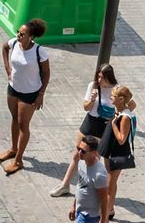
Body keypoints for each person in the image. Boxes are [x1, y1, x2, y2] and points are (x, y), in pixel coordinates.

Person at [48, 63, 118, 197]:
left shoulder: (117, 89)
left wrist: (119, 117)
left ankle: (104, 195)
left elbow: (130, 104)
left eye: (102, 77)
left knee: (99, 160)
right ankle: (64, 185)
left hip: (104, 127)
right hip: (90, 122)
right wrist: (92, 99)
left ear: (109, 77)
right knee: (77, 155)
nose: (99, 80)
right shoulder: (93, 86)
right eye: (98, 76)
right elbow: (85, 107)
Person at [0, 20, 50, 176]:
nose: (18, 35)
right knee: (14, 118)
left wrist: (41, 94)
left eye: (22, 33)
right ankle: (13, 149)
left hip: (30, 92)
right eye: (18, 32)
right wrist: (8, 69)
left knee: (23, 124)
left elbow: (46, 73)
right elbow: (4, 47)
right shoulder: (14, 43)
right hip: (14, 88)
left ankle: (18, 161)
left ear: (31, 36)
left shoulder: (39, 51)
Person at [100, 85, 138, 217]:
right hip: (110, 151)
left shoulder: (124, 118)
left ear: (121, 99)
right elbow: (133, 103)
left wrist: (114, 125)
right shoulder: (120, 110)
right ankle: (109, 210)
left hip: (117, 153)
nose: (111, 97)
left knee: (109, 186)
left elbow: (122, 139)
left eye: (114, 96)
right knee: (111, 182)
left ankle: (105, 217)